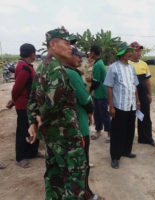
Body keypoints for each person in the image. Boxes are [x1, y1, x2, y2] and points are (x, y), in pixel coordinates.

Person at [26, 28, 103, 200]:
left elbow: (32, 99)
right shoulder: (58, 71)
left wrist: (33, 121)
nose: (70, 48)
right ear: (53, 44)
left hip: (52, 138)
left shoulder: (41, 67)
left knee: (54, 178)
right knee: (74, 180)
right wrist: (40, 119)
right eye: (67, 43)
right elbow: (51, 105)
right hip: (66, 137)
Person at [65, 47, 103, 200]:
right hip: (79, 125)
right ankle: (86, 194)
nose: (81, 59)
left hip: (70, 124)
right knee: (82, 164)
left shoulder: (61, 70)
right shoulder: (72, 73)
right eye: (78, 56)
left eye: (82, 56)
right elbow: (84, 98)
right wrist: (90, 109)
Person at [104, 42, 139, 169]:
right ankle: (115, 157)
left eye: (130, 51)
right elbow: (109, 87)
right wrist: (111, 106)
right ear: (121, 54)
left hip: (131, 105)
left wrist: (138, 101)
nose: (130, 53)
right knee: (118, 132)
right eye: (128, 52)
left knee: (130, 129)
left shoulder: (132, 68)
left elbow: (134, 85)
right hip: (119, 105)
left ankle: (126, 151)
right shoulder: (113, 68)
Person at [11, 43, 42, 168]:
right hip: (24, 105)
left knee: (34, 128)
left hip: (31, 105)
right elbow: (17, 88)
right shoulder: (24, 68)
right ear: (32, 54)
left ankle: (32, 151)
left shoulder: (26, 65)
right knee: (23, 130)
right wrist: (14, 100)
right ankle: (20, 157)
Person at [129, 41, 155, 147]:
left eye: (140, 50)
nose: (139, 52)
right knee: (130, 118)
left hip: (143, 95)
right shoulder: (127, 64)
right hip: (130, 96)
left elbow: (147, 81)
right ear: (131, 52)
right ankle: (128, 141)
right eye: (136, 50)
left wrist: (149, 94)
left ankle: (146, 138)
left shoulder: (144, 64)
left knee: (145, 117)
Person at [88, 45, 111, 141]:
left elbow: (96, 82)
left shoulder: (98, 65)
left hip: (101, 93)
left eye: (90, 52)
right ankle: (98, 130)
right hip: (98, 93)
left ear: (93, 53)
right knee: (97, 113)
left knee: (104, 114)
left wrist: (89, 91)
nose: (89, 54)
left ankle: (110, 133)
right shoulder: (98, 63)